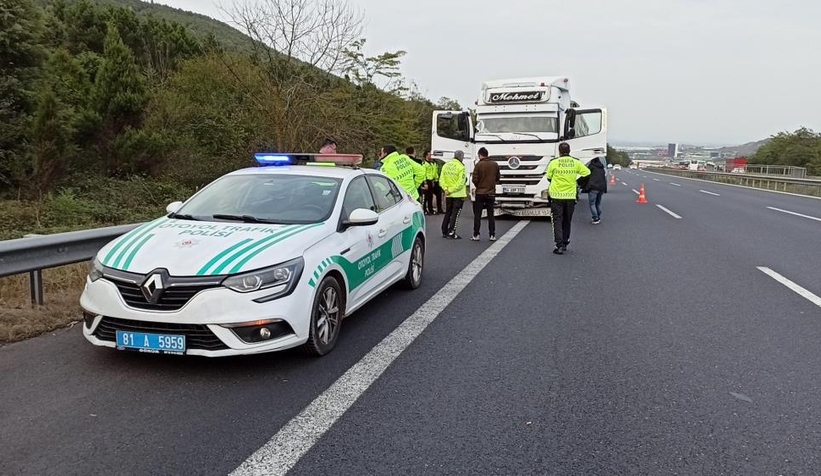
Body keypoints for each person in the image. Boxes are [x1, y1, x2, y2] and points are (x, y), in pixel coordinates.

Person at [546, 142, 590, 255]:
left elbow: (549, 177)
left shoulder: (554, 162)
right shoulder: (576, 162)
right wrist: (577, 183)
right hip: (570, 196)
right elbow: (587, 173)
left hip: (556, 196)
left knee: (557, 220)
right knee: (567, 220)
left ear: (559, 152)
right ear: (569, 151)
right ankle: (565, 242)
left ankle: (558, 245)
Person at [471, 147, 500, 241]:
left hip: (480, 193)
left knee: (478, 215)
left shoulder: (478, 165)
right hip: (491, 193)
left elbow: (474, 179)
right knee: (491, 215)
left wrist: (479, 185)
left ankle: (476, 234)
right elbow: (498, 178)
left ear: (480, 155)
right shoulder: (495, 164)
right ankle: (492, 234)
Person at [440, 150, 467, 239]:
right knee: (455, 214)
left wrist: (446, 189)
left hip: (448, 194)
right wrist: (451, 190)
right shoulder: (461, 167)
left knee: (448, 212)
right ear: (461, 157)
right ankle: (451, 232)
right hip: (458, 195)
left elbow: (441, 180)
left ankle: (444, 231)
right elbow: (461, 183)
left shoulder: (446, 165)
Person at [580, 157, 607, 224]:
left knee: (592, 204)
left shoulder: (591, 167)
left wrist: (579, 182)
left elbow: (586, 176)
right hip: (601, 188)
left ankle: (595, 218)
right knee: (598, 203)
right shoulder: (602, 168)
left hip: (593, 188)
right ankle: (598, 216)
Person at [423, 151, 442, 215]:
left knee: (439, 194)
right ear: (426, 156)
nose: (431, 156)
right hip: (428, 180)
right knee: (429, 196)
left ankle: (440, 209)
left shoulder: (434, 163)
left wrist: (437, 179)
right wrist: (425, 183)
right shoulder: (424, 164)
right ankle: (429, 210)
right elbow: (423, 173)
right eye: (429, 155)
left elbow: (435, 172)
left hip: (434, 180)